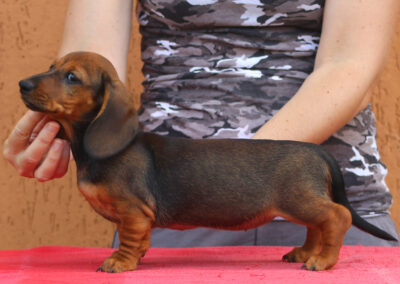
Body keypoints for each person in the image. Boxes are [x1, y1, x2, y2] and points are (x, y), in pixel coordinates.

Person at [3, 0, 400, 247]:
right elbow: (89, 64)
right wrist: (55, 132)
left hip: (307, 186)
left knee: (326, 226)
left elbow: (350, 65)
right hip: (172, 199)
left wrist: (243, 175)